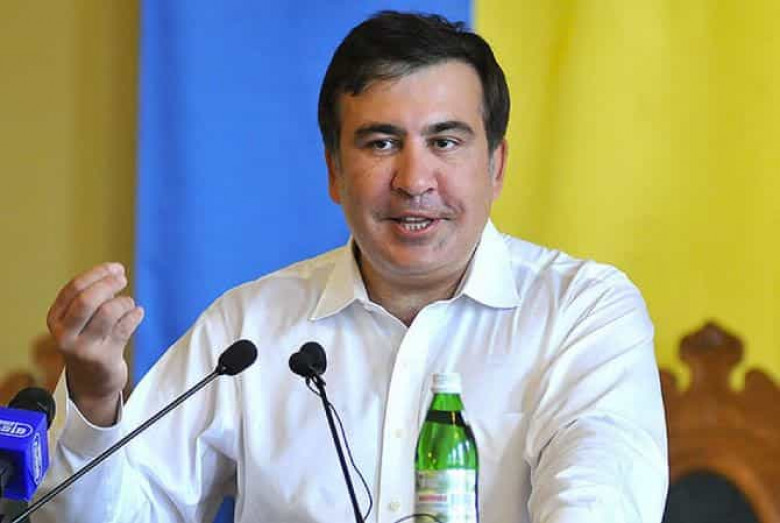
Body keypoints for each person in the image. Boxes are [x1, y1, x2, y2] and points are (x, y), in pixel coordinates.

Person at [36, 11, 668, 523]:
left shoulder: (581, 311)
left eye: (445, 142)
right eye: (381, 143)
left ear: (496, 167)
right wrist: (95, 398)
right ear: (335, 171)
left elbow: (600, 501)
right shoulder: (249, 329)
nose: (415, 180)